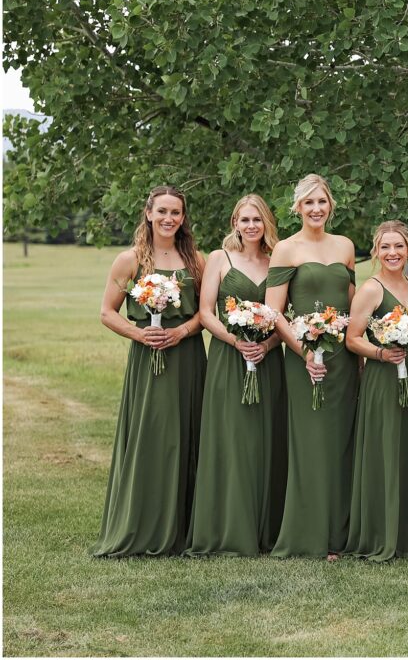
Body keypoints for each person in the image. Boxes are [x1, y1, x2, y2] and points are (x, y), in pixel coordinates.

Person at [93, 186, 206, 556]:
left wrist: (181, 332)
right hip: (148, 361)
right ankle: (143, 525)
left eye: (176, 212)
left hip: (187, 358)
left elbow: (205, 315)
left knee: (187, 435)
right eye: (162, 211)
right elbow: (107, 312)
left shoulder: (195, 262)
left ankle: (185, 529)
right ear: (148, 213)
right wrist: (140, 334)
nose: (169, 218)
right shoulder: (129, 260)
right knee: (153, 436)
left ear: (183, 218)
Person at [187, 194, 286, 556]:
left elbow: (282, 317)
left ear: (266, 224)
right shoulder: (219, 259)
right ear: (235, 223)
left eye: (257, 220)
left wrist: (268, 344)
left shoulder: (278, 261)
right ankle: (225, 528)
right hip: (229, 361)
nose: (251, 226)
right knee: (230, 439)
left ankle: (265, 528)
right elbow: (205, 312)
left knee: (264, 440)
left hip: (268, 360)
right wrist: (235, 340)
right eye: (244, 220)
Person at [267, 174, 358, 558]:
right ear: (298, 208)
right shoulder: (286, 249)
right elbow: (274, 312)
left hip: (344, 357)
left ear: (330, 205)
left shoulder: (346, 246)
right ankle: (309, 535)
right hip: (304, 359)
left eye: (321, 201)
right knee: (311, 442)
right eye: (308, 203)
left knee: (341, 443)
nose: (316, 209)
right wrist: (304, 352)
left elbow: (354, 303)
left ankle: (340, 534)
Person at [345, 220, 408, 560]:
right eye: (385, 247)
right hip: (383, 377)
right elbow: (352, 339)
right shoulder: (371, 289)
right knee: (385, 450)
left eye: (399, 246)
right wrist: (380, 352)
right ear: (376, 252)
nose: (392, 253)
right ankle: (382, 531)